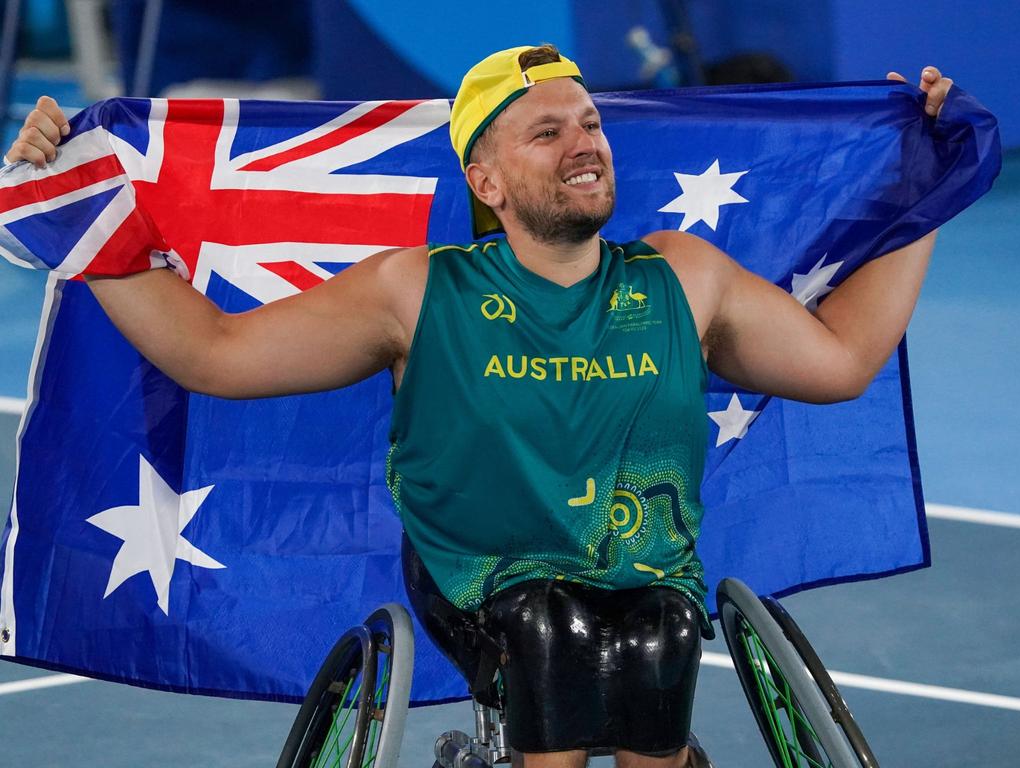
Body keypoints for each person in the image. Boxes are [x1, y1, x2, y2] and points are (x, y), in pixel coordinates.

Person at [6, 45, 951, 768]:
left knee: (655, 627)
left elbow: (839, 358)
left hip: (642, 574)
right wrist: (74, 211)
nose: (584, 143)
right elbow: (214, 354)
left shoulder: (682, 279)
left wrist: (930, 184)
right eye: (549, 132)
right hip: (480, 580)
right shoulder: (417, 293)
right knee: (553, 624)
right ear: (485, 182)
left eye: (589, 124)